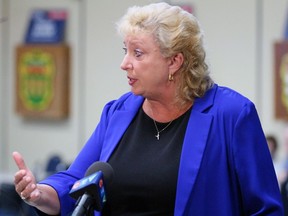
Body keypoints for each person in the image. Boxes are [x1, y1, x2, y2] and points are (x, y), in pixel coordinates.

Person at [13, 2, 283, 215]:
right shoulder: (116, 112)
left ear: (175, 61)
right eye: (125, 50)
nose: (124, 63)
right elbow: (75, 181)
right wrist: (41, 193)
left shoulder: (231, 115)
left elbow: (266, 209)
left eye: (137, 53)